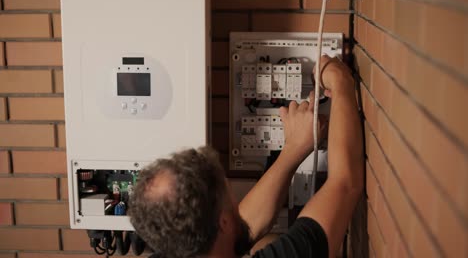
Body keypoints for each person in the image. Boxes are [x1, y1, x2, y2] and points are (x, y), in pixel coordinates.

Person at [128, 55, 364, 258]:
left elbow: (243, 226)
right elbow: (344, 184)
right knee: (268, 240)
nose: (235, 203)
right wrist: (340, 81)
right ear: (223, 222)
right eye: (227, 194)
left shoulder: (177, 248)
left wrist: (294, 148)